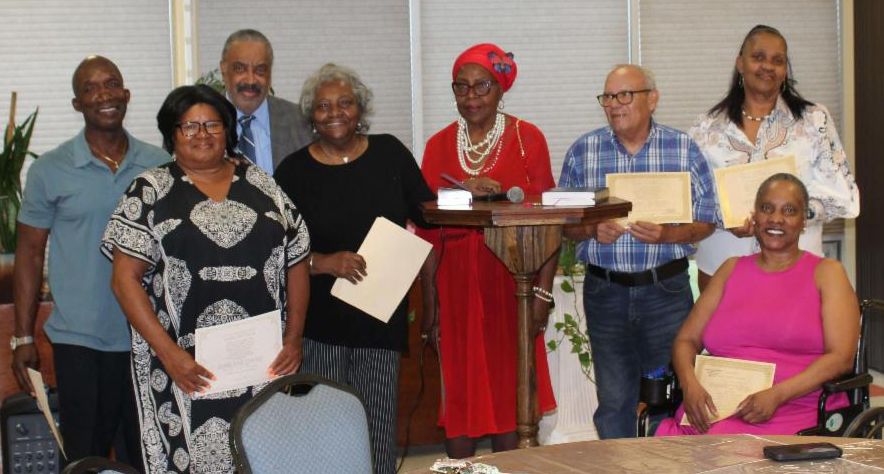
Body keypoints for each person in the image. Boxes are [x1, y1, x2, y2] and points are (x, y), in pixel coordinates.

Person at [101, 84, 310, 473]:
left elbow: (297, 257)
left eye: (212, 124)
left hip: (263, 365)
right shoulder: (149, 191)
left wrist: (294, 337)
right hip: (185, 368)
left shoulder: (262, 184)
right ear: (172, 134)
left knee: (264, 457)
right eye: (189, 126)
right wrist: (170, 355)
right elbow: (124, 282)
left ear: (228, 130)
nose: (202, 134)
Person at [274, 63, 435, 474]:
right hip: (318, 325)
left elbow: (428, 213)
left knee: (377, 428)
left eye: (345, 102)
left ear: (360, 109)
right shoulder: (292, 172)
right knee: (323, 428)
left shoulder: (390, 154)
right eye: (324, 105)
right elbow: (275, 252)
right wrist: (323, 262)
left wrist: (469, 193)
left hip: (378, 319)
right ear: (311, 115)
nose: (335, 112)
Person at [12, 55, 169, 467]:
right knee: (87, 459)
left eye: (111, 83)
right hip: (80, 342)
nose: (103, 94)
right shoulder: (50, 170)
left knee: (147, 457)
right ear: (77, 104)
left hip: (147, 340)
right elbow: (29, 253)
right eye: (90, 88)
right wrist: (23, 337)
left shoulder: (160, 165)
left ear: (126, 94)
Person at [559, 64, 718, 439]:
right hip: (605, 292)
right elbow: (565, 225)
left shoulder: (682, 148)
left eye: (624, 95)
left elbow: (708, 219)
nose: (614, 105)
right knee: (614, 401)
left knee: (674, 398)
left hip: (666, 291)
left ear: (653, 98)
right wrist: (591, 231)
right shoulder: (584, 151)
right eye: (608, 97)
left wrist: (667, 234)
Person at [416, 43, 557, 458]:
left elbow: (550, 223)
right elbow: (426, 231)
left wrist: (543, 296)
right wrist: (431, 303)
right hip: (454, 284)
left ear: (500, 89)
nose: (472, 96)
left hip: (513, 281)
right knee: (460, 393)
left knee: (511, 395)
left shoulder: (527, 138)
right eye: (462, 87)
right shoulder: (438, 145)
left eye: (482, 86)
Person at [656, 173, 859, 435]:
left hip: (795, 408)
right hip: (716, 409)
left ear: (803, 222)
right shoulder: (730, 269)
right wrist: (690, 384)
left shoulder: (827, 273)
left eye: (789, 210)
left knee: (722, 452)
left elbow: (841, 358)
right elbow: (685, 340)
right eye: (767, 208)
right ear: (755, 216)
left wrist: (777, 395)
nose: (776, 218)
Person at [690, 24, 859, 291]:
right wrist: (725, 219)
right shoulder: (706, 128)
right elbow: (690, 201)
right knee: (726, 334)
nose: (767, 66)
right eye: (758, 57)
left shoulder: (815, 121)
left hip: (798, 268)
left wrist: (789, 213)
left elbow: (844, 198)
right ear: (740, 63)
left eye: (777, 60)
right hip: (722, 270)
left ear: (785, 71)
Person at [220, 28, 312, 172]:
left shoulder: (301, 121)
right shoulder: (203, 123)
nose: (250, 80)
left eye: (260, 70)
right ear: (224, 69)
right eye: (240, 69)